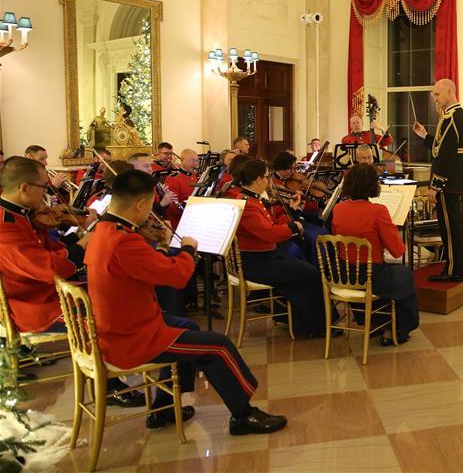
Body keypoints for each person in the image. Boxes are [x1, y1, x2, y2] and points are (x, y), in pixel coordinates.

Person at [85, 169, 286, 434]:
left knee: (189, 327)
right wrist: (188, 248)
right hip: (130, 336)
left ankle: (164, 409)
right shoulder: (124, 241)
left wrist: (162, 247)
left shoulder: (105, 229)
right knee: (218, 346)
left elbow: (145, 267)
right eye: (150, 206)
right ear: (141, 204)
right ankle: (243, 414)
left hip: (117, 324)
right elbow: (177, 277)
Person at [0, 157, 144, 408]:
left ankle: (123, 360)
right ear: (24, 188)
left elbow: (52, 249)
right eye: (44, 187)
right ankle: (107, 386)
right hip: (33, 305)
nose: (48, 195)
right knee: (103, 314)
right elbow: (48, 268)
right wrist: (82, 245)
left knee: (115, 294)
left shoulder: (20, 214)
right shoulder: (5, 226)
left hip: (43, 293)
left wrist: (78, 237)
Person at [233, 159, 330, 338]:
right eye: (267, 177)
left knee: (305, 268)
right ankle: (313, 327)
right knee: (311, 274)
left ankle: (298, 321)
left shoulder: (251, 199)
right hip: (256, 263)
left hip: (265, 257)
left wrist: (292, 213)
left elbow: (273, 225)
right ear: (257, 180)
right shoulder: (248, 205)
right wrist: (294, 227)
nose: (269, 180)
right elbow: (270, 234)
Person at [331, 164, 419, 345]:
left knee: (388, 276)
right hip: (370, 275)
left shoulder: (338, 209)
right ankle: (393, 331)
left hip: (343, 273)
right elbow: (398, 251)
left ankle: (371, 323)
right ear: (373, 185)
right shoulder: (378, 211)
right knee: (404, 275)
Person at [412, 79, 463, 282]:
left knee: (450, 227)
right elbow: (440, 147)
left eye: (438, 94)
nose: (435, 99)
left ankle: (453, 270)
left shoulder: (453, 118)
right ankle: (462, 265)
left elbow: (446, 156)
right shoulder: (454, 116)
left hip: (448, 181)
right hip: (454, 180)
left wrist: (435, 186)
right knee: (454, 225)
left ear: (450, 92)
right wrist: (424, 135)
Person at [164, 149, 199, 227]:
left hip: (193, 217)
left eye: (197, 160)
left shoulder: (194, 175)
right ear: (182, 160)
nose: (196, 164)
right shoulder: (173, 178)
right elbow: (173, 207)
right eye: (192, 160)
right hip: (180, 221)